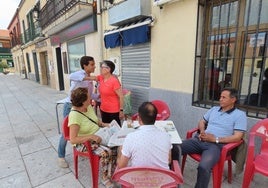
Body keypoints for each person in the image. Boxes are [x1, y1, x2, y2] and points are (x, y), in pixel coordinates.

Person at [180, 87, 247, 188]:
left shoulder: (240, 115)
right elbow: (202, 121)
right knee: (174, 148)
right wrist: (202, 131)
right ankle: (172, 179)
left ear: (233, 99)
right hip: (200, 139)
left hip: (216, 146)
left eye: (224, 97)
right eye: (220, 97)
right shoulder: (214, 109)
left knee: (204, 167)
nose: (220, 99)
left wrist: (215, 139)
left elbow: (238, 137)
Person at [69, 87, 117, 188]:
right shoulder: (74, 116)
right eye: (88, 97)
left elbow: (95, 121)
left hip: (98, 134)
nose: (91, 98)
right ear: (82, 102)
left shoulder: (88, 106)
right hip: (83, 142)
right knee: (106, 152)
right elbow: (73, 139)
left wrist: (105, 124)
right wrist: (91, 136)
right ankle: (105, 178)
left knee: (116, 145)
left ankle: (112, 172)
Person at [58, 56, 99, 168]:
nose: (94, 66)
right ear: (85, 65)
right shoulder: (78, 75)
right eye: (92, 64)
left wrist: (102, 96)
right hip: (72, 106)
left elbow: (91, 95)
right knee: (66, 133)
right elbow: (71, 76)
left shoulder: (89, 79)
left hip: (84, 105)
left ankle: (82, 146)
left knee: (85, 126)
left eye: (94, 64)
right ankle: (61, 156)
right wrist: (91, 78)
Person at [117, 101, 172, 169]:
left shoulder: (130, 138)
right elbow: (168, 160)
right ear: (155, 118)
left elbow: (121, 166)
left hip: (136, 178)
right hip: (162, 178)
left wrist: (120, 151)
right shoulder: (166, 136)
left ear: (139, 118)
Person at [91, 60, 124, 126]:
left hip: (113, 110)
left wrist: (121, 110)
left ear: (108, 69)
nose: (100, 68)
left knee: (115, 129)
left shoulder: (114, 81)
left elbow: (121, 96)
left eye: (102, 67)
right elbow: (92, 78)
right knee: (106, 129)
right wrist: (80, 77)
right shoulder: (101, 78)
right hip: (103, 109)